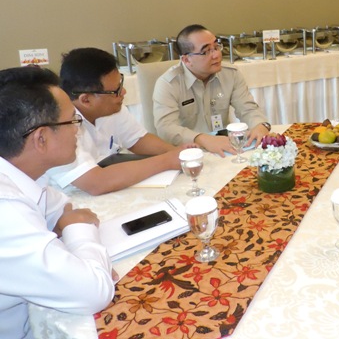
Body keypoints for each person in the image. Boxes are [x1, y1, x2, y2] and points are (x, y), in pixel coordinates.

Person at [0, 66, 115, 338]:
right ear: (40, 138)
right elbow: (94, 292)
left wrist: (68, 224)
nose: (79, 131)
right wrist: (80, 231)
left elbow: (60, 207)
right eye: (73, 122)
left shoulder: (22, 172)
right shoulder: (5, 209)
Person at [47, 48, 189, 195]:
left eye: (120, 84)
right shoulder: (59, 127)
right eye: (116, 90)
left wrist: (180, 154)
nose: (123, 93)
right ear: (86, 99)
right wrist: (166, 161)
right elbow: (96, 183)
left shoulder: (112, 108)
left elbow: (138, 140)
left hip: (109, 182)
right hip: (71, 200)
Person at [154, 24, 270, 156]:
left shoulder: (231, 74)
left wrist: (260, 125)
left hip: (224, 148)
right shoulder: (168, 84)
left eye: (216, 47)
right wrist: (202, 139)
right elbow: (166, 128)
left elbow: (248, 109)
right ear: (186, 59)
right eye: (206, 51)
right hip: (188, 153)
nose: (216, 55)